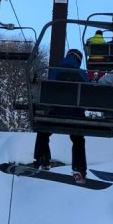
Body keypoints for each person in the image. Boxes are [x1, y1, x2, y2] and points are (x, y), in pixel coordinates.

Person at [32, 48, 89, 182]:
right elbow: (88, 93)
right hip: (76, 116)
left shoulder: (54, 70)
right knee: (78, 139)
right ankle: (79, 168)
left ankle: (43, 159)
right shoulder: (81, 73)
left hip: (56, 113)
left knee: (43, 131)